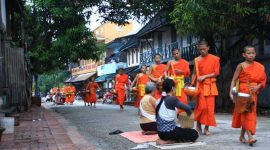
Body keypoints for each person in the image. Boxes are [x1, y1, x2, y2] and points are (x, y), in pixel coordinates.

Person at [229, 46, 266, 146]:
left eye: (253, 53)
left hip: (253, 93)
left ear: (255, 54)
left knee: (249, 114)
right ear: (244, 55)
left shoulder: (260, 67)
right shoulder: (240, 66)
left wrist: (257, 87)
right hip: (242, 93)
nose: (251, 55)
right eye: (249, 53)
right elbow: (234, 80)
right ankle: (250, 137)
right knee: (247, 114)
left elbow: (262, 81)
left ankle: (242, 136)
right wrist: (231, 92)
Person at [156, 78, 198, 145]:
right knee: (194, 133)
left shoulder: (159, 99)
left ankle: (165, 139)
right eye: (175, 88)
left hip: (160, 133)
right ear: (172, 88)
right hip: (169, 132)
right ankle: (168, 141)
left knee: (180, 129)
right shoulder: (171, 99)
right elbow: (188, 108)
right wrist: (189, 114)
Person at [192, 40, 220, 136]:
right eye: (200, 49)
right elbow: (194, 74)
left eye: (204, 49)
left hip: (211, 86)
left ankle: (206, 128)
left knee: (210, 108)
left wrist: (205, 76)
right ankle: (198, 125)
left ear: (208, 48)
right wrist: (192, 85)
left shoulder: (215, 59)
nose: (202, 51)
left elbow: (216, 73)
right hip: (200, 86)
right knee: (201, 107)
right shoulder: (196, 60)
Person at [166, 48, 190, 113]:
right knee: (173, 98)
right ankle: (174, 113)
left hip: (181, 83)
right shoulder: (170, 62)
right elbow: (165, 72)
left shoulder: (184, 62)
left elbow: (188, 73)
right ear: (172, 55)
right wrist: (168, 78)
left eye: (177, 53)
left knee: (183, 99)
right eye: (174, 54)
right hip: (173, 84)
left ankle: (182, 113)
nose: (176, 55)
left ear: (180, 53)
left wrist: (181, 72)